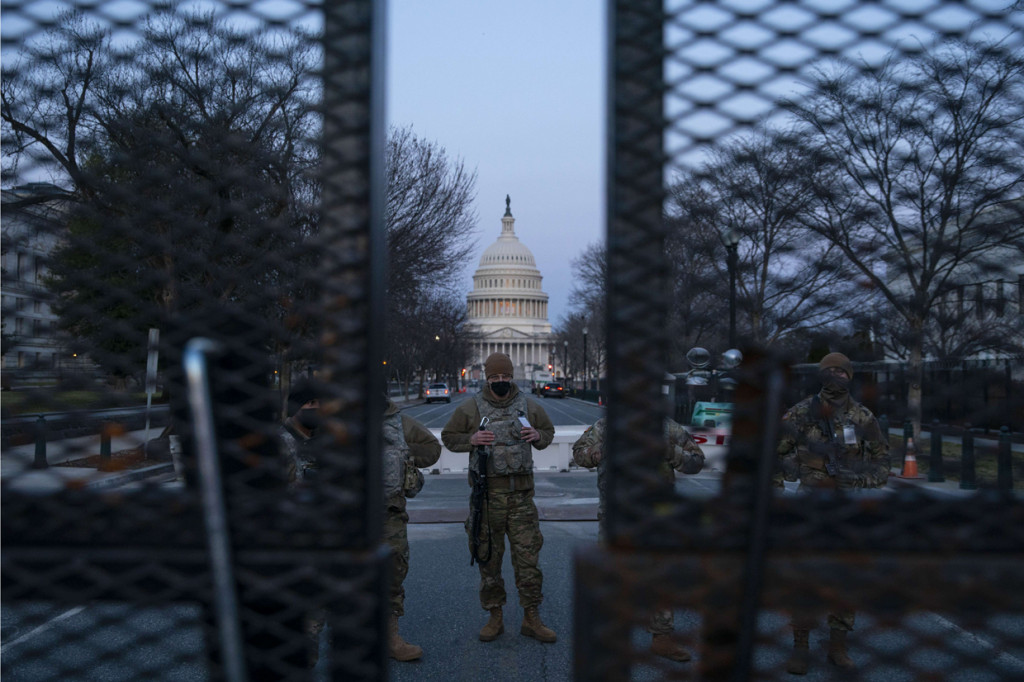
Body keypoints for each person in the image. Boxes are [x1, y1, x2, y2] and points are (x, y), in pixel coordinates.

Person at [282, 387, 441, 663]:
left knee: (392, 575)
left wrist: (400, 453)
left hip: (387, 513)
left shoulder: (394, 419)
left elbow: (432, 450)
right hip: (342, 516)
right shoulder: (332, 419)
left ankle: (390, 637)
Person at [773, 352, 890, 675]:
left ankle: (838, 648)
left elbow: (882, 466)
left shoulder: (863, 417)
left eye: (841, 371)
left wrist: (860, 479)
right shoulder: (799, 414)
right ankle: (800, 649)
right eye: (830, 370)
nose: (835, 375)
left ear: (850, 376)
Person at [441, 352, 558, 644]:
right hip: (488, 497)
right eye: (495, 378)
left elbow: (548, 432)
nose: (501, 381)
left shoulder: (529, 405)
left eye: (505, 377)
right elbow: (448, 436)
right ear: (487, 378)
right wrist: (470, 439)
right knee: (489, 562)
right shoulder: (471, 408)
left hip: (520, 497)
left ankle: (532, 617)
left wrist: (537, 437)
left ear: (512, 377)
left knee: (528, 561)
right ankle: (495, 616)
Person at [571, 415, 705, 662]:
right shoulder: (605, 426)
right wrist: (601, 451)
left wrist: (668, 450)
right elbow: (579, 454)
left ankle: (662, 638)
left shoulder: (668, 427)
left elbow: (696, 462)